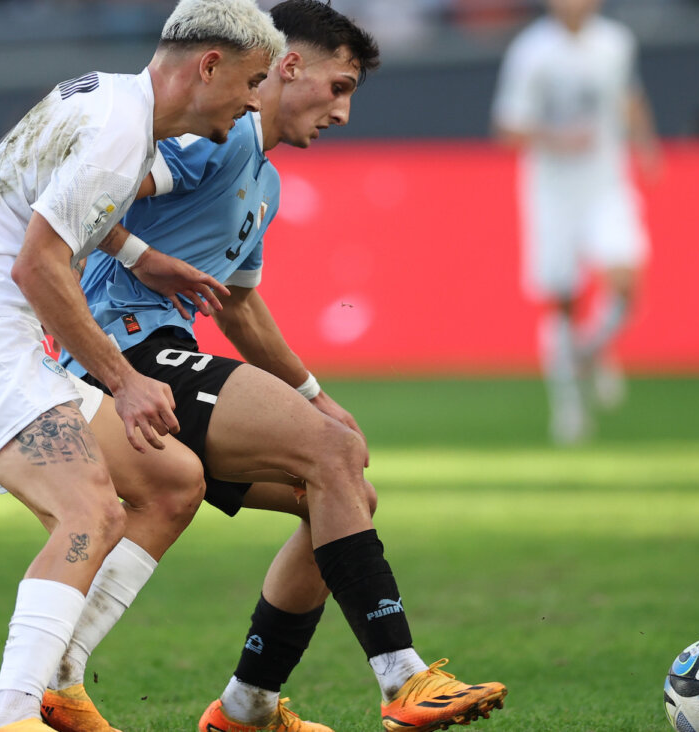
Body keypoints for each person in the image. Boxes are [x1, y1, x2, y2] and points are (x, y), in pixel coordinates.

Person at [52, 3, 507, 731]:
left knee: (339, 489)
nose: (345, 112)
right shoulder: (213, 137)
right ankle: (403, 679)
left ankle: (246, 707)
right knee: (331, 457)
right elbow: (81, 194)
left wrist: (313, 395)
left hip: (164, 351)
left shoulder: (263, 183)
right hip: (122, 351)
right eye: (340, 86)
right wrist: (143, 259)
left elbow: (238, 308)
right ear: (289, 66)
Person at [0, 2, 286, 731]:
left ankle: (58, 683)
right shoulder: (119, 134)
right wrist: (125, 381)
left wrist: (141, 257)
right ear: (209, 66)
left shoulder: (104, 96)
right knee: (89, 510)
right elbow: (39, 266)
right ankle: (10, 717)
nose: (255, 101)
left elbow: (52, 204)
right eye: (252, 81)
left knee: (171, 481)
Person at [491, 0, 661, 445]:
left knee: (626, 279)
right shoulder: (531, 53)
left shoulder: (615, 43)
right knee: (563, 298)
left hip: (606, 182)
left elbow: (629, 94)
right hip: (553, 193)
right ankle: (568, 405)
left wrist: (645, 143)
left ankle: (592, 348)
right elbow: (507, 127)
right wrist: (556, 138)